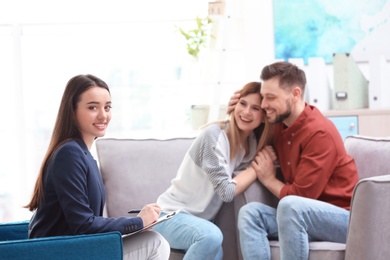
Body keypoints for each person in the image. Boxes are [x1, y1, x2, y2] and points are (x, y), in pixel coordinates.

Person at [25, 74, 170, 260]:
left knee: (152, 240)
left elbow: (85, 222)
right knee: (155, 243)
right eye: (93, 107)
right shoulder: (69, 154)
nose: (103, 115)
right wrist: (138, 222)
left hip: (75, 247)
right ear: (72, 111)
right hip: (59, 253)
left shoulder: (81, 153)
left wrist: (138, 223)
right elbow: (83, 224)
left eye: (107, 107)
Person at [228, 61, 359, 259]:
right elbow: (245, 130)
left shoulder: (320, 133)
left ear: (295, 94)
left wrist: (269, 179)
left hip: (343, 219)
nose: (264, 105)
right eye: (263, 97)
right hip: (299, 216)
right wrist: (234, 111)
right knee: (250, 214)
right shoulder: (278, 124)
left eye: (270, 98)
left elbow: (302, 196)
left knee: (290, 206)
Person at [153, 81, 274, 260]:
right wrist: (256, 169)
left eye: (255, 108)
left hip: (198, 223)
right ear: (234, 105)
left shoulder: (249, 145)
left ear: (263, 116)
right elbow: (226, 191)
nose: (246, 112)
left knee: (215, 248)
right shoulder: (213, 136)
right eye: (243, 103)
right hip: (168, 216)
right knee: (211, 236)